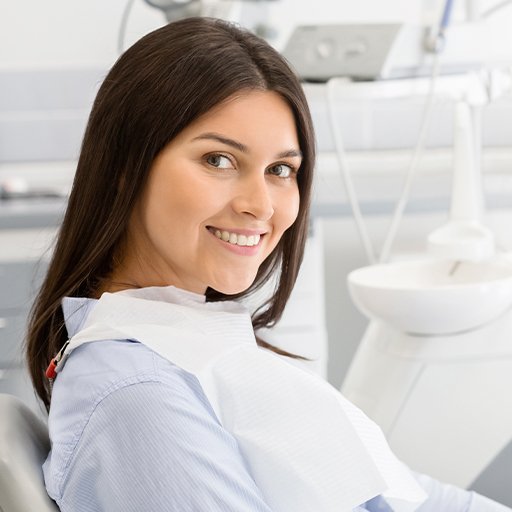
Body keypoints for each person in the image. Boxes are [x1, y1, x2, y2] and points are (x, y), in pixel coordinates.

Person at [26, 17, 510, 512]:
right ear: (127, 167)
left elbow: (407, 496)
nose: (261, 204)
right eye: (218, 160)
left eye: (281, 170)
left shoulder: (185, 338)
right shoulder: (137, 397)